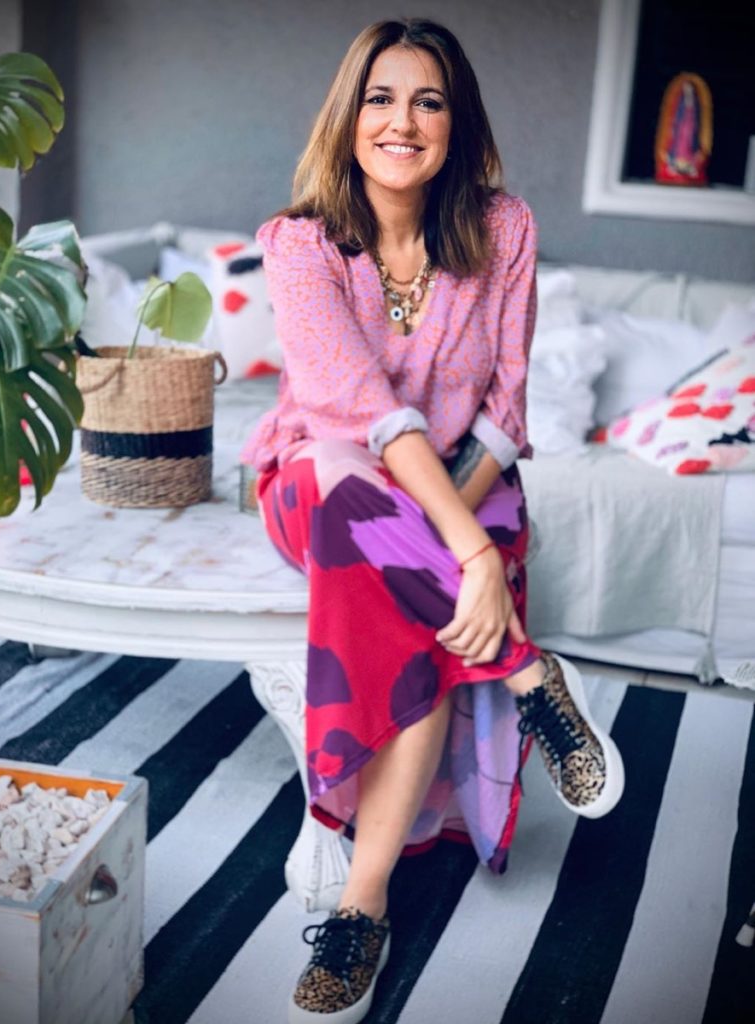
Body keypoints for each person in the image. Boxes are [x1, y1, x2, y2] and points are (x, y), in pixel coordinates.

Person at [240, 18, 624, 1024]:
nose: (401, 122)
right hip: (325, 487)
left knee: (413, 615)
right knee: (345, 479)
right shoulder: (300, 245)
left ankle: (360, 906)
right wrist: (470, 552)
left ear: (458, 124)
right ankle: (528, 675)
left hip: (460, 482)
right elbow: (361, 412)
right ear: (347, 115)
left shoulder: (504, 230)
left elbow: (505, 412)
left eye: (428, 101)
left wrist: (454, 519)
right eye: (379, 98)